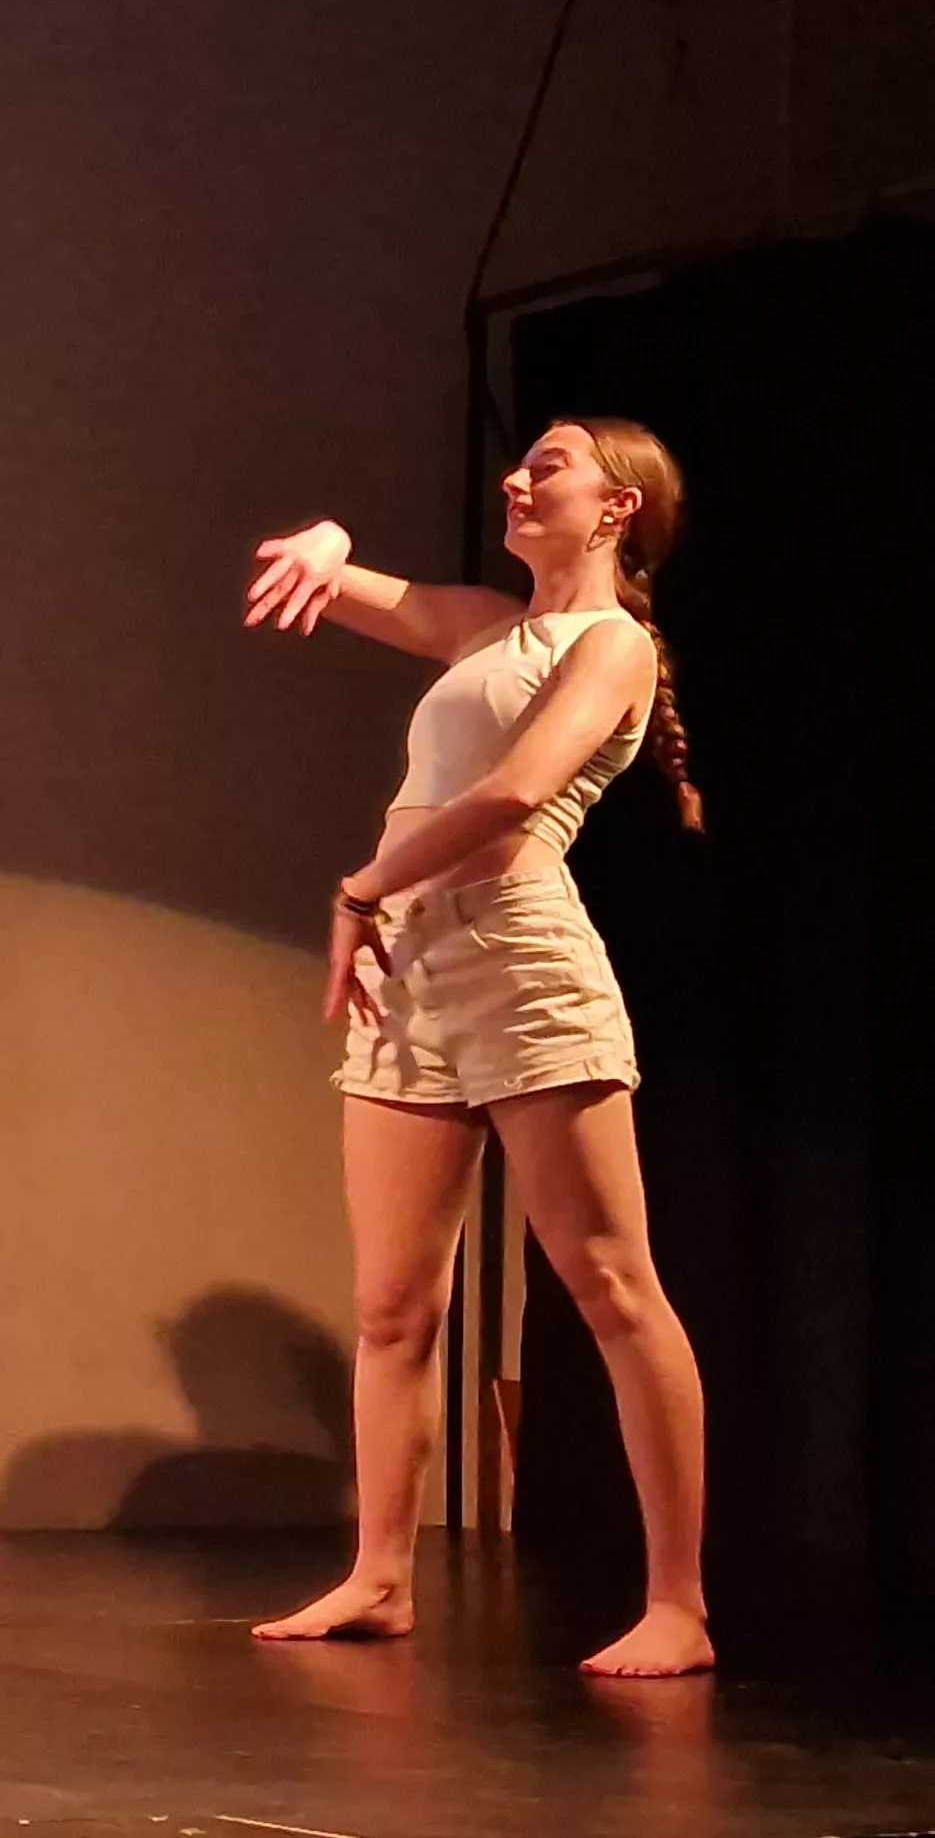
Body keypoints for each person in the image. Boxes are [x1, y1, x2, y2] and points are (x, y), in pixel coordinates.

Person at [238, 417, 712, 1679]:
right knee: (392, 1304)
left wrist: (358, 887)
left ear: (615, 507)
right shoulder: (484, 628)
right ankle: (378, 1575)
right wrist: (332, 540)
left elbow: (506, 802)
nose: (516, 477)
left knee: (610, 1285)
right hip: (415, 975)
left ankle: (678, 1602)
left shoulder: (607, 645)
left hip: (520, 962)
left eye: (545, 465)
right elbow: (330, 578)